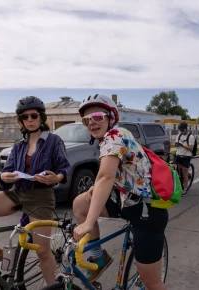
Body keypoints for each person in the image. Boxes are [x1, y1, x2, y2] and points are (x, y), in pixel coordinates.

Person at [0, 96, 70, 284]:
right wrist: (4, 177)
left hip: (41, 197)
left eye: (33, 115)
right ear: (20, 120)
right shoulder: (19, 145)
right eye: (24, 117)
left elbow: (64, 167)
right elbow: (7, 171)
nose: (29, 120)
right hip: (18, 192)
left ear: (41, 117)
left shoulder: (54, 141)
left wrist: (57, 177)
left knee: (42, 251)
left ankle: (54, 287)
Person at [72, 94, 168, 290]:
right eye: (86, 120)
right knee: (80, 204)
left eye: (97, 116)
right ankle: (99, 258)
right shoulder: (106, 140)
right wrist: (95, 188)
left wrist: (88, 224)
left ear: (110, 118)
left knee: (152, 283)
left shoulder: (116, 135)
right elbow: (115, 174)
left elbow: (105, 177)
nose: (91, 123)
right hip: (126, 202)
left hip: (147, 213)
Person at [175, 121, 195, 196]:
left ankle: (185, 189)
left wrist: (182, 145)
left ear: (186, 129)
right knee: (174, 169)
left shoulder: (191, 137)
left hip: (186, 156)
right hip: (178, 155)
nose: (181, 132)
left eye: (182, 130)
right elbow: (177, 144)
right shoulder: (179, 135)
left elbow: (190, 148)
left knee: (184, 173)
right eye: (180, 130)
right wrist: (177, 144)